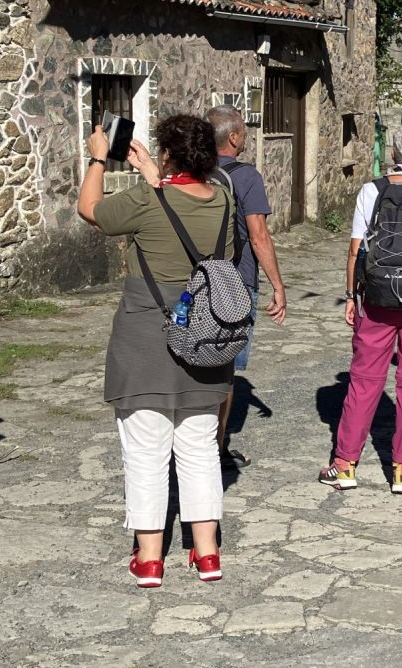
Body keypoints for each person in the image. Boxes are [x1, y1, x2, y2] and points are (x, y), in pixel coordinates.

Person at [79, 113, 235, 588]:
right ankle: (206, 553)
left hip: (147, 335)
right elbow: (182, 204)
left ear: (168, 154)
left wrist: (98, 158)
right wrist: (156, 173)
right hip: (204, 335)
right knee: (200, 447)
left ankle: (149, 559)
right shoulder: (223, 198)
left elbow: (91, 209)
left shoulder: (147, 199)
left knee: (146, 449)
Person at [321, 123, 402, 494]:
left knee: (364, 380)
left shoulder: (371, 190)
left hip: (375, 298)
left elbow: (355, 250)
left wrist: (351, 296)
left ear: (394, 153)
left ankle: (344, 465)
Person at [207, 105, 287, 471]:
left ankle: (193, 442)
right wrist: (277, 286)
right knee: (224, 370)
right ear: (234, 137)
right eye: (243, 131)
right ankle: (214, 449)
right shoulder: (247, 177)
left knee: (196, 359)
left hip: (196, 280)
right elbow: (259, 236)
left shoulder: (194, 172)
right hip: (236, 282)